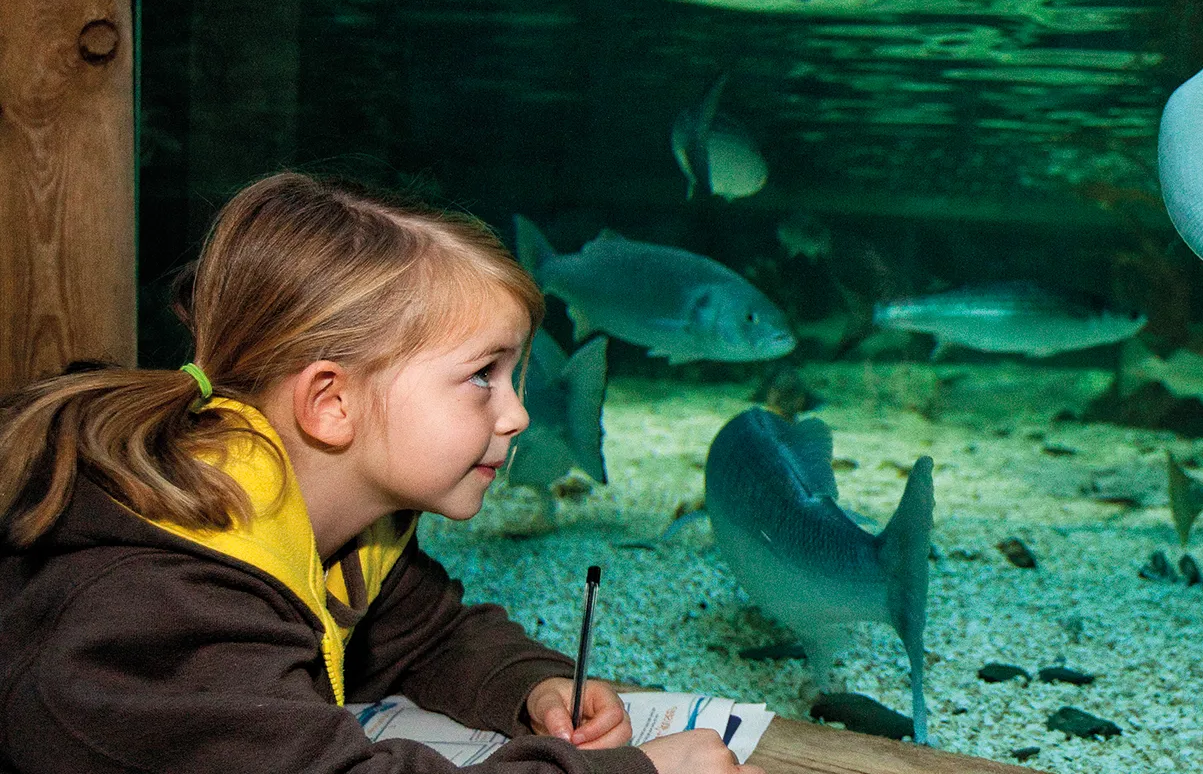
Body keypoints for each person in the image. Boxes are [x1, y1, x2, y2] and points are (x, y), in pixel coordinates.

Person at [0, 173, 762, 774]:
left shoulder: (345, 521)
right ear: (331, 404)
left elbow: (424, 638)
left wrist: (530, 686)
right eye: (482, 376)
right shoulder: (166, 606)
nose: (519, 415)